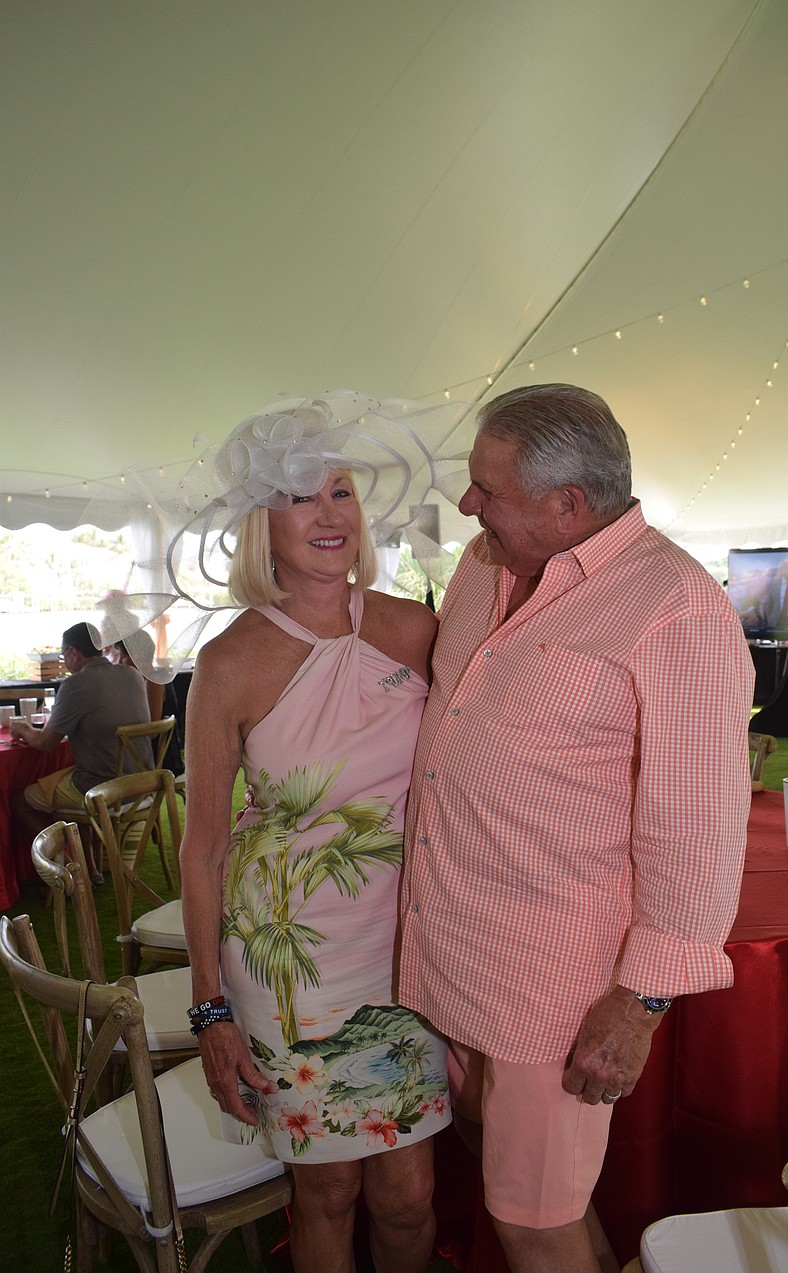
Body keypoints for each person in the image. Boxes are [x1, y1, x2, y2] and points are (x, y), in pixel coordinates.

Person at [398, 384, 755, 1273]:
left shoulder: (675, 605)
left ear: (569, 505)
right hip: (453, 952)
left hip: (551, 980)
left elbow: (697, 831)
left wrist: (639, 1003)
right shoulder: (482, 568)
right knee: (523, 1193)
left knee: (531, 1218)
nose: (467, 505)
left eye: (488, 489)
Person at [176, 392, 459, 1273]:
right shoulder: (228, 662)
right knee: (327, 1192)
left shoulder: (414, 628)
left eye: (341, 491)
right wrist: (209, 1003)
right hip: (289, 962)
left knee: (410, 1197)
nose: (330, 513)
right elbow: (205, 847)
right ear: (264, 523)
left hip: (405, 950)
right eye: (303, 496)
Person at [10, 621, 152, 880]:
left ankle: (64, 866)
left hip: (100, 789)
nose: (64, 662)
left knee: (21, 802)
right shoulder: (133, 675)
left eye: (64, 655)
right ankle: (90, 867)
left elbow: (45, 743)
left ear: (74, 653)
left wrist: (21, 727)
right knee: (69, 778)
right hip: (143, 784)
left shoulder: (75, 684)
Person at [113, 635, 184, 775]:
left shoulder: (154, 681)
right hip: (149, 753)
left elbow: (153, 730)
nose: (120, 662)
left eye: (123, 657)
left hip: (160, 759)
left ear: (138, 656)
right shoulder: (143, 680)